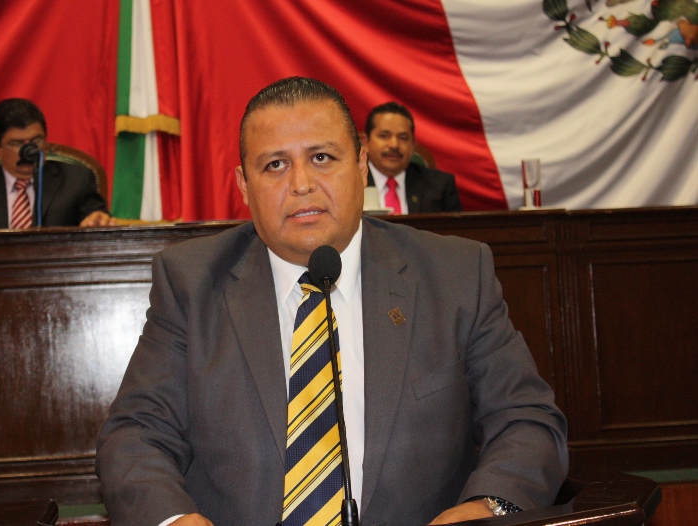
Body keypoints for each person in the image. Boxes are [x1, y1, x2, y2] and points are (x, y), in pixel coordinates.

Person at [96, 77, 567, 526]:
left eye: (321, 157)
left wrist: (490, 505)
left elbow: (525, 419)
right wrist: (173, 518)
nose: (301, 183)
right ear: (243, 185)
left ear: (361, 165)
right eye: (275, 165)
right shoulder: (191, 283)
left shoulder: (454, 275)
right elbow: (136, 434)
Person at [0, 98, 115, 230]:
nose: (29, 152)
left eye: (36, 141)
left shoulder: (76, 181)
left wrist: (98, 220)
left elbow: (97, 219)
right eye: (17, 144)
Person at [362, 102, 462, 214]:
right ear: (366, 142)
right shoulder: (351, 182)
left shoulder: (440, 186)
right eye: (384, 136)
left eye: (403, 138)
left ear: (413, 145)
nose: (394, 145)